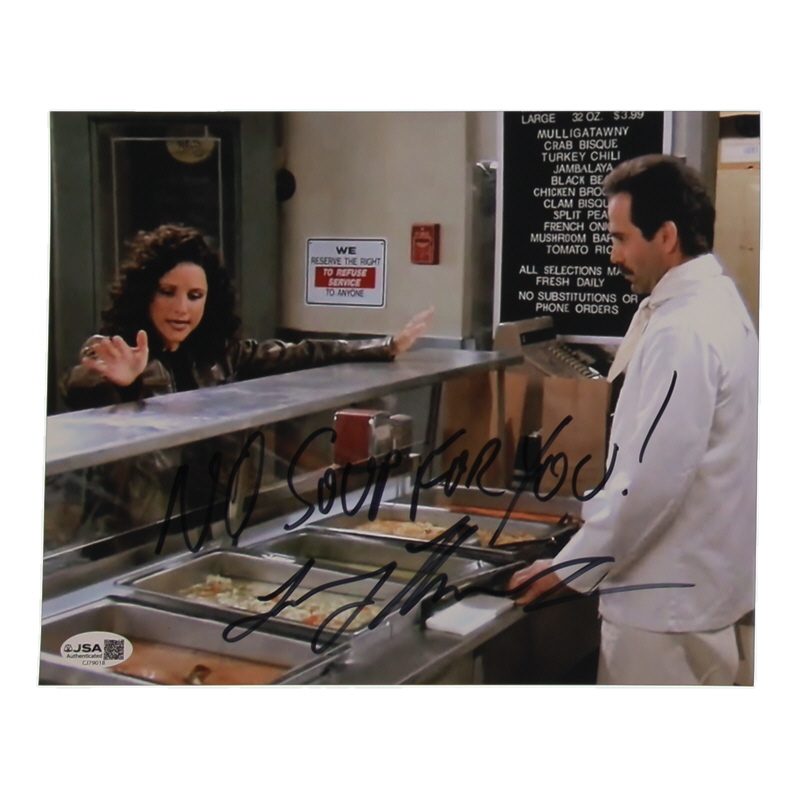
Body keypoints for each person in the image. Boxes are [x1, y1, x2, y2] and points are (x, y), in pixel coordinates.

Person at [508, 154, 758, 685]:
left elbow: (653, 482)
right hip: (698, 592)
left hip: (661, 611)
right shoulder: (716, 302)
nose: (613, 254)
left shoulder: (682, 330)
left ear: (666, 236)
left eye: (621, 238)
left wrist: (573, 566)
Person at [63, 224, 431, 409]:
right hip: (140, 524)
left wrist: (385, 346)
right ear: (145, 294)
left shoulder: (220, 354)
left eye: (194, 296)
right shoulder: (116, 349)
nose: (181, 308)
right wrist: (125, 384)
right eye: (167, 292)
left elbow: (303, 353)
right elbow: (80, 385)